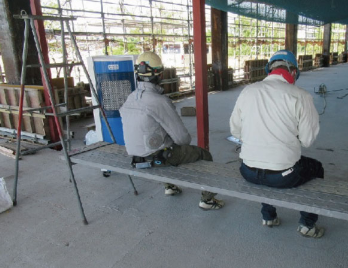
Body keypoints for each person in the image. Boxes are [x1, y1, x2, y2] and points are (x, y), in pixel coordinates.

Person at [229, 50, 325, 238]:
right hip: (283, 177)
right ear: (294, 72)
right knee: (316, 168)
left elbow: (235, 131)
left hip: (247, 171)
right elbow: (307, 140)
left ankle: (269, 217)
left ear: (269, 70)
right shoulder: (301, 96)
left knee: (264, 161)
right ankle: (307, 223)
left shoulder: (248, 91)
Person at [119, 51, 224, 210]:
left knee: (162, 144)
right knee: (202, 154)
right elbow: (183, 139)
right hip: (155, 157)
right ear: (159, 75)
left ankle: (170, 186)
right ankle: (207, 200)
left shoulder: (131, 98)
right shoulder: (158, 101)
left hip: (135, 156)